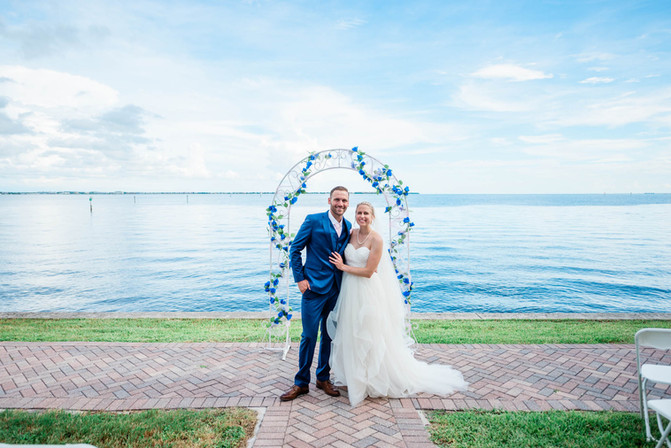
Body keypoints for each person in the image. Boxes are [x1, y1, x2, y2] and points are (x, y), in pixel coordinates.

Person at [327, 202, 467, 407]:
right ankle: (353, 377)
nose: (362, 216)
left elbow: (369, 271)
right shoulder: (351, 233)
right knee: (351, 332)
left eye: (366, 213)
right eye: (359, 213)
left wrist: (343, 266)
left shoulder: (377, 239)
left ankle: (372, 379)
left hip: (367, 292)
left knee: (369, 333)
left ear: (373, 216)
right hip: (349, 291)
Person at [280, 186, 352, 401]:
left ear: (348, 203)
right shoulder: (313, 220)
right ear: (329, 200)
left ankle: (323, 378)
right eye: (337, 200)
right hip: (312, 288)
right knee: (309, 336)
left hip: (336, 289)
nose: (340, 204)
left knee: (329, 336)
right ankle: (301, 383)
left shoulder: (349, 226)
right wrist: (300, 279)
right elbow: (295, 249)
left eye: (344, 201)